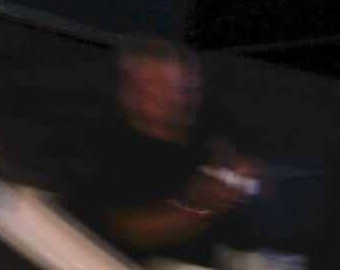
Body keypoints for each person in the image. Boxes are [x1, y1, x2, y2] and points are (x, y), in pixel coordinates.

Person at [71, 37, 270, 260]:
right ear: (129, 86)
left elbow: (265, 182)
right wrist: (193, 207)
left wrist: (251, 177)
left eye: (188, 87)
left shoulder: (206, 124)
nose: (177, 98)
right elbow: (122, 232)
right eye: (159, 85)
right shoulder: (102, 146)